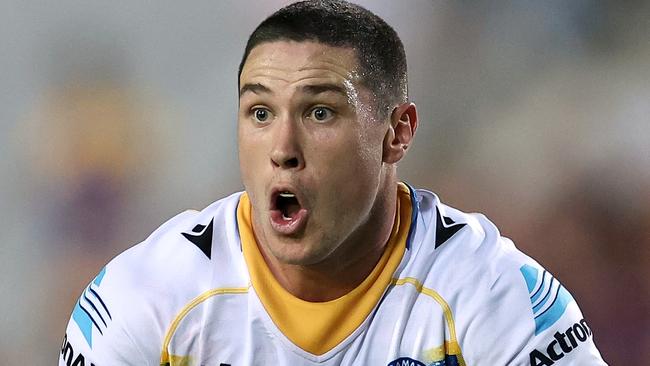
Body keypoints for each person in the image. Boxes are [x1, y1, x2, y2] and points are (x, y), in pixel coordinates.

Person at [59, 1, 607, 365]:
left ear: (397, 133)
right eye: (259, 113)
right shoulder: (144, 298)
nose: (283, 150)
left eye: (320, 113)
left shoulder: (492, 294)